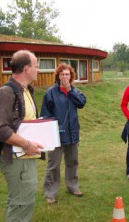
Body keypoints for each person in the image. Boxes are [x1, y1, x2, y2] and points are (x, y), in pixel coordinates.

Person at [0, 50, 44, 222]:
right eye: (36, 66)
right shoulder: (6, 93)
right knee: (20, 203)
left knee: (24, 200)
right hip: (15, 158)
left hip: (25, 157)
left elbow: (24, 122)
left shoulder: (26, 90)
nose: (39, 70)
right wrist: (27, 144)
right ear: (27, 69)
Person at [41, 63, 86, 204]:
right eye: (62, 74)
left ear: (71, 76)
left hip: (72, 134)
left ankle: (72, 186)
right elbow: (45, 115)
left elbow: (82, 103)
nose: (65, 77)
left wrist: (70, 90)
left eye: (67, 74)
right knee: (53, 165)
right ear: (58, 76)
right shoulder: (50, 93)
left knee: (72, 162)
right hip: (56, 135)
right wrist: (53, 128)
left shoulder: (74, 91)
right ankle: (50, 192)